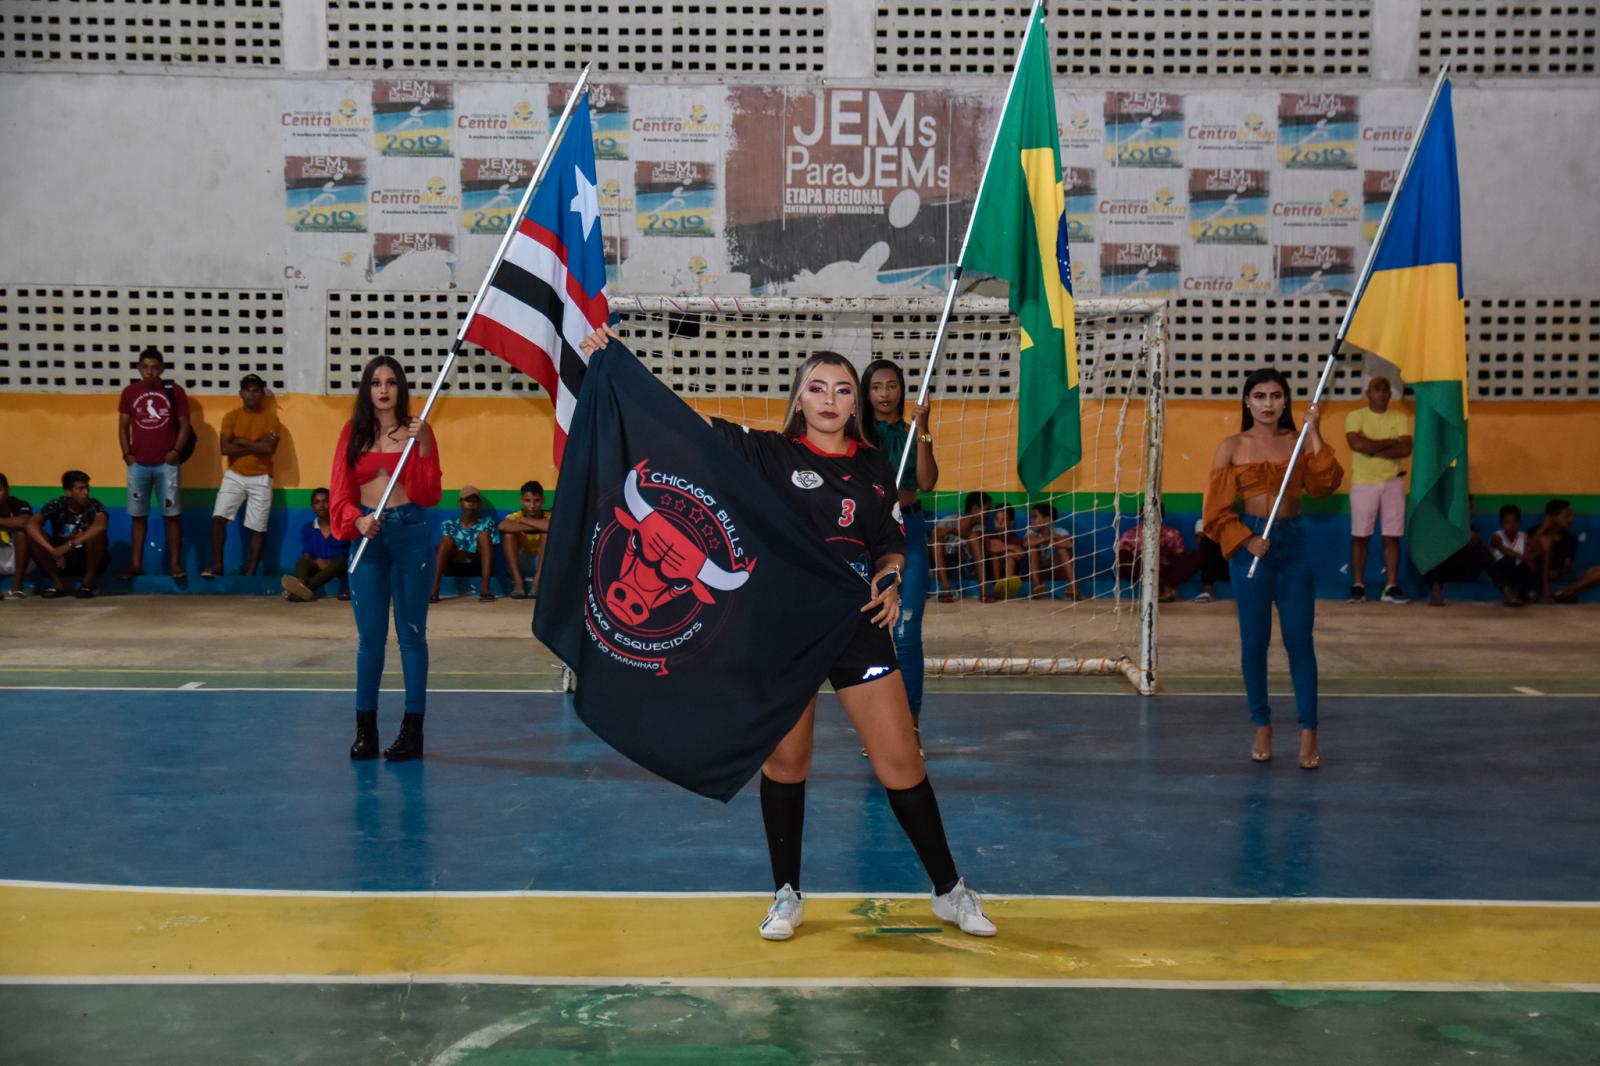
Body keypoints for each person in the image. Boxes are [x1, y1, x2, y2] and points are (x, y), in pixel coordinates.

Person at [580, 326, 995, 941]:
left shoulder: (877, 464)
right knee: (787, 761)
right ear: (799, 398)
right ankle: (786, 893)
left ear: (856, 405)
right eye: (817, 387)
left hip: (856, 624)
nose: (830, 398)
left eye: (843, 390)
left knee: (901, 761)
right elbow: (680, 420)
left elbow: (886, 542)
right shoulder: (766, 453)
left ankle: (949, 891)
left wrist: (890, 578)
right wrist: (618, 364)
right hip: (780, 629)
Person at [1203, 368, 1343, 770]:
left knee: (1300, 642)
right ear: (1247, 402)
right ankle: (1261, 726)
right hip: (1251, 550)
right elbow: (1214, 514)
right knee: (1254, 644)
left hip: (1293, 547)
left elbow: (1325, 483)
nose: (1268, 404)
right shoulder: (1231, 446)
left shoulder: (1298, 442)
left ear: (1286, 401)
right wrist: (1246, 539)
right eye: (1260, 396)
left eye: (1276, 396)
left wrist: (1313, 431)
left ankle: (1309, 732)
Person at [329, 356, 442, 762]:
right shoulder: (351, 434)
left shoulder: (418, 432)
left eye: (391, 382)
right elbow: (339, 491)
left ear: (401, 388)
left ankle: (412, 733)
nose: (383, 389)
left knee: (411, 636)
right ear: (366, 388)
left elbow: (429, 495)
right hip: (367, 539)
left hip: (410, 534)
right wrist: (354, 521)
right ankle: (366, 732)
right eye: (376, 382)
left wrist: (426, 444)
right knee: (370, 639)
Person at [861, 359, 939, 728]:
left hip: (909, 530)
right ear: (866, 392)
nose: (885, 394)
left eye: (891, 386)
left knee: (906, 636)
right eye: (877, 387)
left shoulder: (913, 433)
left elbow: (926, 482)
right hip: (868, 535)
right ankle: (877, 728)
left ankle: (909, 726)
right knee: (868, 636)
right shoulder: (857, 435)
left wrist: (923, 429)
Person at [118, 346, 191, 580]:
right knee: (138, 516)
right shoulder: (130, 392)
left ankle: (176, 565)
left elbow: (184, 424)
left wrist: (176, 451)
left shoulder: (175, 392)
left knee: (172, 516)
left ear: (162, 369)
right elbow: (123, 426)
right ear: (139, 368)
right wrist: (127, 454)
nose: (150, 372)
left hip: (166, 465)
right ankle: (136, 564)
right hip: (138, 464)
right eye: (145, 367)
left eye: (155, 368)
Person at [1343, 375, 1411, 604]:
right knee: (1360, 535)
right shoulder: (1356, 416)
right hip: (1364, 482)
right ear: (1368, 394)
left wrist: (1371, 447)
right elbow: (1356, 444)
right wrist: (1389, 442)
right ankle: (1358, 586)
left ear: (1390, 395)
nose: (1381, 394)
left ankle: (1391, 587)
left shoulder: (1399, 417)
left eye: (1385, 390)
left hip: (1393, 481)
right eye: (1376, 390)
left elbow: (1405, 449)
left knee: (1392, 536)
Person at [204, 373, 279, 578]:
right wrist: (255, 444)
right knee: (218, 518)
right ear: (241, 393)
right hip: (234, 475)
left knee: (258, 526)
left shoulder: (271, 418)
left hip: (262, 477)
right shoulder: (231, 416)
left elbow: (268, 449)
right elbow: (225, 448)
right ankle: (217, 565)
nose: (252, 394)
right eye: (248, 390)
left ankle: (250, 573)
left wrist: (241, 441)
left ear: (262, 394)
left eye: (256, 390)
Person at [25, 470, 111, 599]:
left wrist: (68, 546)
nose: (86, 493)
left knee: (96, 535)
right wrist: (53, 550)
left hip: (86, 559)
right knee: (32, 537)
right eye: (81, 489)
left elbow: (100, 526)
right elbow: (30, 524)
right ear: (68, 491)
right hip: (60, 561)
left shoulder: (94, 506)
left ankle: (87, 583)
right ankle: (58, 583)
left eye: (87, 488)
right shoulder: (57, 504)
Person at [1116, 504, 1207, 602]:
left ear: (1161, 516)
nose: (1152, 518)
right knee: (1122, 555)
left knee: (1200, 555)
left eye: (1156, 515)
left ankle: (1160, 586)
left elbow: (1180, 560)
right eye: (1148, 514)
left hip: (1165, 571)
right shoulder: (1131, 534)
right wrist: (1142, 554)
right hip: (1141, 572)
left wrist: (1165, 553)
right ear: (1141, 515)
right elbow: (1123, 560)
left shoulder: (1172, 533)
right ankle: (1163, 587)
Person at [431, 485, 499, 603]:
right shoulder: (449, 524)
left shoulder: (487, 523)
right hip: (453, 565)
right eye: (468, 500)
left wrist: (467, 554)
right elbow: (446, 548)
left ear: (479, 504)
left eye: (475, 500)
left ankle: (484, 589)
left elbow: (491, 550)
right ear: (461, 502)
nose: (471, 504)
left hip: (478, 565)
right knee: (445, 540)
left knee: (484, 535)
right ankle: (433, 589)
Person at [282, 488, 348, 602]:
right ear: (312, 506)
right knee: (302, 561)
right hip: (319, 568)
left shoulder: (342, 526)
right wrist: (313, 562)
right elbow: (307, 553)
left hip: (339, 567)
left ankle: (304, 589)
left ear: (332, 504)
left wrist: (329, 562)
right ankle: (301, 584)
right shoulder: (308, 528)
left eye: (326, 501)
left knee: (341, 560)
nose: (321, 505)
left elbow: (348, 552)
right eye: (317, 502)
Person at [498, 480, 550, 600]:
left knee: (547, 535)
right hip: (521, 562)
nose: (532, 506)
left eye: (536, 501)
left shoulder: (549, 515)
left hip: (542, 564)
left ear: (543, 500)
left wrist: (525, 521)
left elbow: (553, 525)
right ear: (522, 500)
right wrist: (538, 524)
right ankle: (518, 584)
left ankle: (537, 584)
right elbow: (502, 526)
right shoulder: (515, 516)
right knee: (508, 536)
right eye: (528, 501)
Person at [1527, 499, 1578, 604]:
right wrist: (1543, 527)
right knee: (1546, 541)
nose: (1571, 519)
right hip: (1534, 573)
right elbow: (1527, 552)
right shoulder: (1533, 531)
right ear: (1553, 517)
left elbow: (1567, 565)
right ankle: (1544, 592)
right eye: (1567, 516)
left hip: (1555, 575)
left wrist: (1559, 572)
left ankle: (1558, 593)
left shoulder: (1569, 539)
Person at [1023, 502, 1077, 600]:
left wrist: (1052, 538)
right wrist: (1048, 538)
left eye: (1035, 517)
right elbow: (1026, 544)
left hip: (1057, 570)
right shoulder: (1031, 532)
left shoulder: (1060, 531)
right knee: (1033, 548)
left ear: (1047, 519)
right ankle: (1036, 585)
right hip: (1040, 572)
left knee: (1062, 549)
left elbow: (1070, 544)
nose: (1032, 520)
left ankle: (1073, 585)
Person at [0, 473, 34, 599]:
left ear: (8, 490)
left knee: (22, 533)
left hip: (20, 559)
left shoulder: (19, 504)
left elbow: (24, 522)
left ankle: (17, 587)